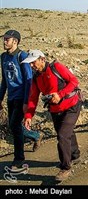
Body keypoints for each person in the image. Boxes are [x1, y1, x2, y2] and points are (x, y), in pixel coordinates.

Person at [22, 50, 82, 182]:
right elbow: (33, 98)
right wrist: (28, 116)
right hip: (55, 109)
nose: (31, 66)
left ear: (42, 59)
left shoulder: (56, 67)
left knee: (62, 135)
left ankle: (65, 167)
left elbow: (74, 82)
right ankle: (75, 155)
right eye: (30, 64)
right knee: (66, 132)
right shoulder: (36, 77)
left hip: (72, 104)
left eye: (33, 62)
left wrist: (60, 94)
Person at [0, 30, 42, 171]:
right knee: (15, 126)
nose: (5, 41)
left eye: (7, 39)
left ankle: (19, 158)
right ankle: (35, 136)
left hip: (21, 97)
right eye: (4, 39)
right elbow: (4, 80)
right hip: (11, 97)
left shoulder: (22, 56)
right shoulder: (3, 57)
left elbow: (29, 81)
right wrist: (0, 98)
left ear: (15, 41)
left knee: (14, 125)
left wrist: (26, 102)